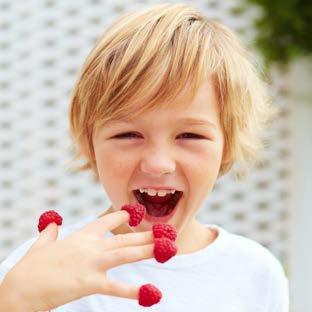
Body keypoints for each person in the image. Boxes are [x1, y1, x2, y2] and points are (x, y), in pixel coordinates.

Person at [0, 3, 289, 311]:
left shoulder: (256, 273)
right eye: (128, 135)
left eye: (189, 135)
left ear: (227, 145)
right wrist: (15, 302)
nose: (158, 163)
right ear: (89, 143)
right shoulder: (40, 270)